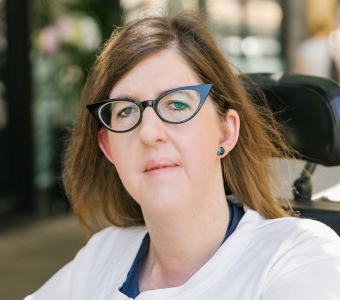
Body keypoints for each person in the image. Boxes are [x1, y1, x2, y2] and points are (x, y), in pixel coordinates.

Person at [25, 12, 340, 299]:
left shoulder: (298, 258)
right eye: (125, 111)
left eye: (176, 104)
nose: (149, 133)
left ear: (226, 132)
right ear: (108, 148)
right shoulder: (101, 256)